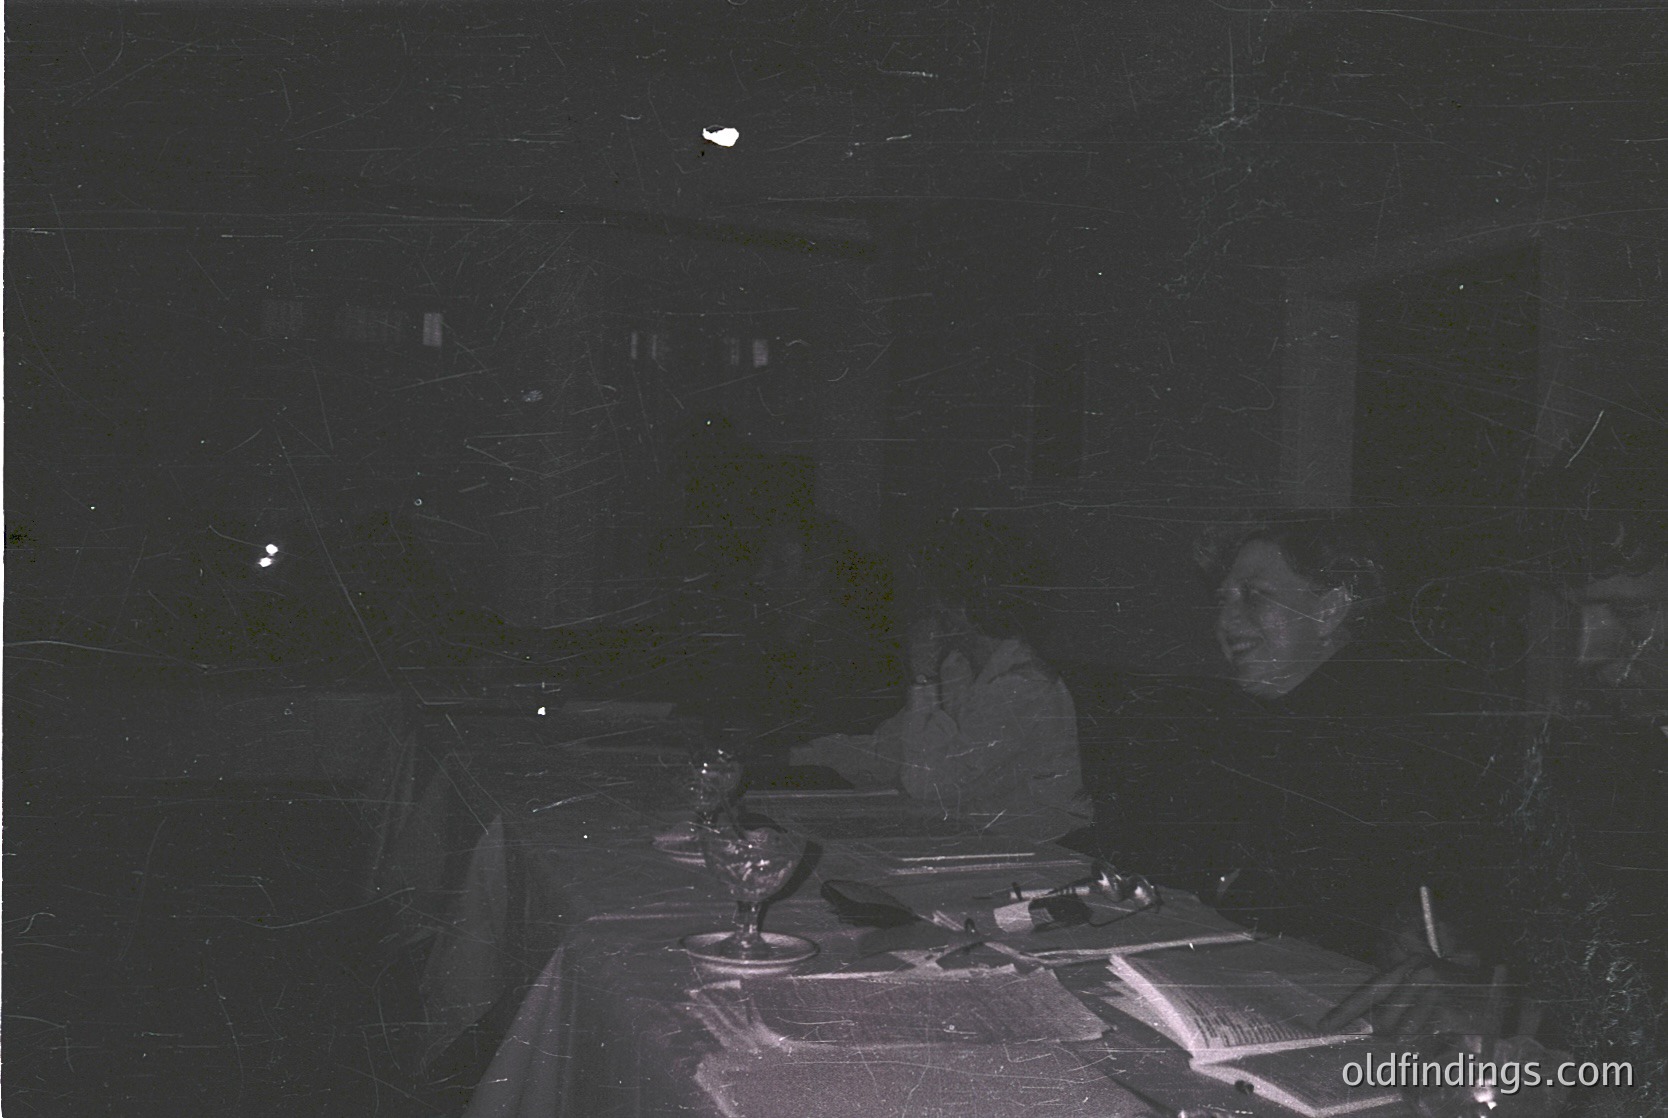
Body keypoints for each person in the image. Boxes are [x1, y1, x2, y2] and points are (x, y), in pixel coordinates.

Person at [787, 514, 1088, 841]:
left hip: (1041, 848)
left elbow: (926, 784)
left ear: (961, 605)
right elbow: (891, 751)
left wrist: (923, 676)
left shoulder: (1022, 687)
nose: (926, 609)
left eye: (935, 597)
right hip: (973, 834)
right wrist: (799, 755)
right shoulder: (959, 667)